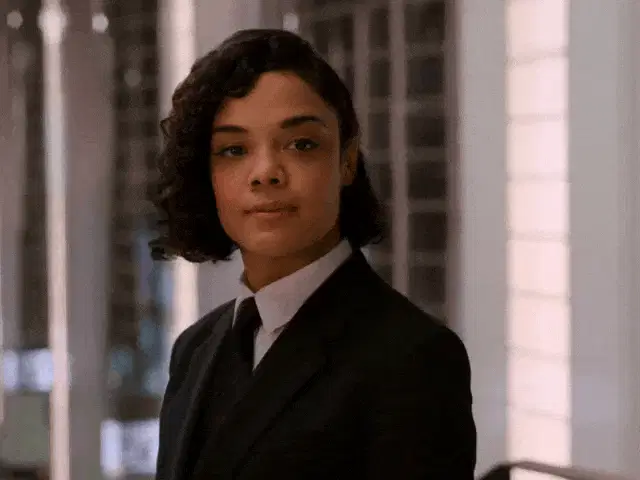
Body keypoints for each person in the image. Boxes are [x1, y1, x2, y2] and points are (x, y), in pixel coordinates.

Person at [151, 29, 476, 480]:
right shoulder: (194, 349)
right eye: (233, 150)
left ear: (347, 161)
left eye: (301, 144)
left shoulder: (413, 359)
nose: (266, 172)